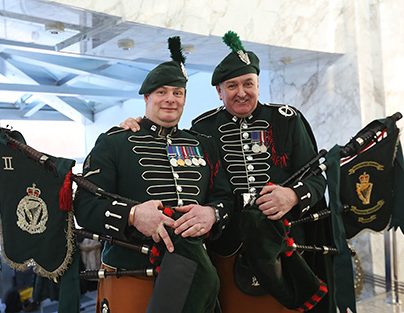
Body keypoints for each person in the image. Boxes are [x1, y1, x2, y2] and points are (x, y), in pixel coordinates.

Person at [120, 31, 334, 313]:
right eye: (231, 86)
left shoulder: (287, 119)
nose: (241, 92)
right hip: (226, 247)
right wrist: (141, 125)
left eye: (248, 83)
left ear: (258, 85)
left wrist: (292, 196)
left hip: (285, 241)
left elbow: (317, 176)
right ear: (219, 92)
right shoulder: (203, 128)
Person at [73, 36, 233, 313]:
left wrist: (212, 213)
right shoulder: (114, 142)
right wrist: (134, 215)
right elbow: (84, 207)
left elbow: (225, 197)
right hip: (132, 275)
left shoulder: (203, 144)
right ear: (146, 97)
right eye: (161, 92)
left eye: (177, 92)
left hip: (197, 276)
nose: (170, 99)